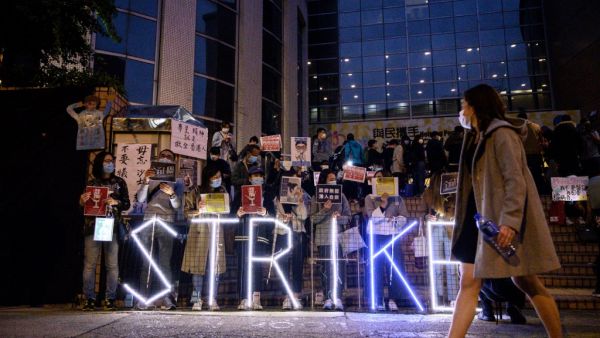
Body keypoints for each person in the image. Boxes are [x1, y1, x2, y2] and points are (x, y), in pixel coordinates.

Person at [448, 84, 562, 338]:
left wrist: (510, 221)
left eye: (465, 105)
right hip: (475, 218)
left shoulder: (501, 134)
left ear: (477, 106)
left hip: (499, 219)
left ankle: (557, 335)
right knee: (468, 281)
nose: (461, 110)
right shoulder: (474, 136)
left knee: (525, 280)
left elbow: (515, 180)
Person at [79, 151, 130, 311]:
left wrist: (116, 202)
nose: (110, 163)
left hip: (112, 225)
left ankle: (110, 298)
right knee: (90, 265)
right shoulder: (91, 181)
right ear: (100, 163)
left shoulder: (120, 182)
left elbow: (127, 204)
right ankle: (89, 298)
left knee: (112, 265)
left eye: (112, 160)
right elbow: (83, 204)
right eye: (107, 160)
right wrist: (82, 201)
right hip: (93, 225)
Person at [135, 149, 182, 310]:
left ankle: (166, 298)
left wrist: (172, 194)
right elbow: (140, 199)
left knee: (164, 263)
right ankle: (144, 297)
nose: (165, 158)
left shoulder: (177, 181)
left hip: (167, 222)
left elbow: (178, 206)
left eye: (169, 157)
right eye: (163, 156)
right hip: (149, 220)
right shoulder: (150, 175)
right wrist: (146, 181)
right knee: (146, 261)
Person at [181, 166, 228, 311]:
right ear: (208, 177)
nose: (217, 180)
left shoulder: (222, 191)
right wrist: (198, 210)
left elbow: (227, 212)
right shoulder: (196, 191)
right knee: (197, 266)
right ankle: (197, 298)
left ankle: (212, 298)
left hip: (216, 230)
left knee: (216, 267)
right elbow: (186, 212)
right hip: (199, 230)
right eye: (214, 177)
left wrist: (223, 208)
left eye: (219, 177)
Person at [364, 170, 409, 311]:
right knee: (376, 267)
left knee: (394, 268)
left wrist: (395, 220)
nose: (380, 180)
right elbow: (373, 218)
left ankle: (392, 299)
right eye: (377, 179)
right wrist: (382, 205)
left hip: (392, 236)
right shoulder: (370, 198)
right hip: (376, 236)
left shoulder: (397, 198)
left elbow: (404, 217)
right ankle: (377, 299)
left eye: (383, 178)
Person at [311, 169, 351, 310]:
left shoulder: (342, 196)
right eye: (330, 178)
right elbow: (313, 219)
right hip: (323, 238)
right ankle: (328, 297)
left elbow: (348, 216)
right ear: (324, 181)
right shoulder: (316, 197)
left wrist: (339, 217)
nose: (333, 181)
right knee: (326, 268)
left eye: (334, 178)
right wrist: (324, 210)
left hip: (338, 238)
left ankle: (338, 297)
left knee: (339, 267)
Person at [235, 166, 272, 310]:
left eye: (260, 176)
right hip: (244, 234)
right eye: (254, 176)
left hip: (260, 235)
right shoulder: (240, 193)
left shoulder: (267, 195)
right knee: (243, 266)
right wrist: (238, 213)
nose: (258, 178)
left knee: (257, 266)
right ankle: (244, 298)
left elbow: (272, 214)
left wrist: (266, 212)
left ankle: (256, 298)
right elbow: (232, 212)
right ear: (249, 178)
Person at [275, 167, 311, 310]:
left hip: (297, 233)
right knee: (283, 264)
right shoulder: (277, 198)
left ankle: (296, 295)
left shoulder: (300, 194)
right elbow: (274, 215)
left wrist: (300, 200)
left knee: (297, 265)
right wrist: (282, 217)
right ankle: (285, 297)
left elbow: (303, 217)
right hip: (282, 233)